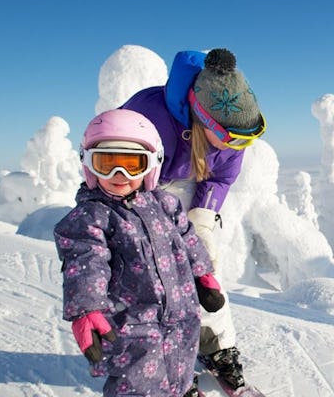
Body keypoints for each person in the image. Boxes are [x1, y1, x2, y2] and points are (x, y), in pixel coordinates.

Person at [119, 47, 265, 389]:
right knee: (153, 278)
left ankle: (217, 346)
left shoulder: (231, 143)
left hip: (188, 185)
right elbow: (116, 161)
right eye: (233, 136)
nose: (240, 145)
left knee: (203, 272)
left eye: (250, 136)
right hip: (140, 187)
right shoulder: (148, 115)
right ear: (203, 118)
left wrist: (201, 221)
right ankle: (159, 356)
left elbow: (220, 178)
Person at [55, 109, 226, 396]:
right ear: (88, 164)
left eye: (132, 165)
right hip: (130, 327)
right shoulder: (91, 216)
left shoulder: (166, 204)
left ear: (151, 165)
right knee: (137, 384)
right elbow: (85, 259)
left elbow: (187, 238)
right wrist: (86, 309)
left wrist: (203, 273)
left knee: (181, 367)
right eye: (106, 164)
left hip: (181, 314)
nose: (118, 175)